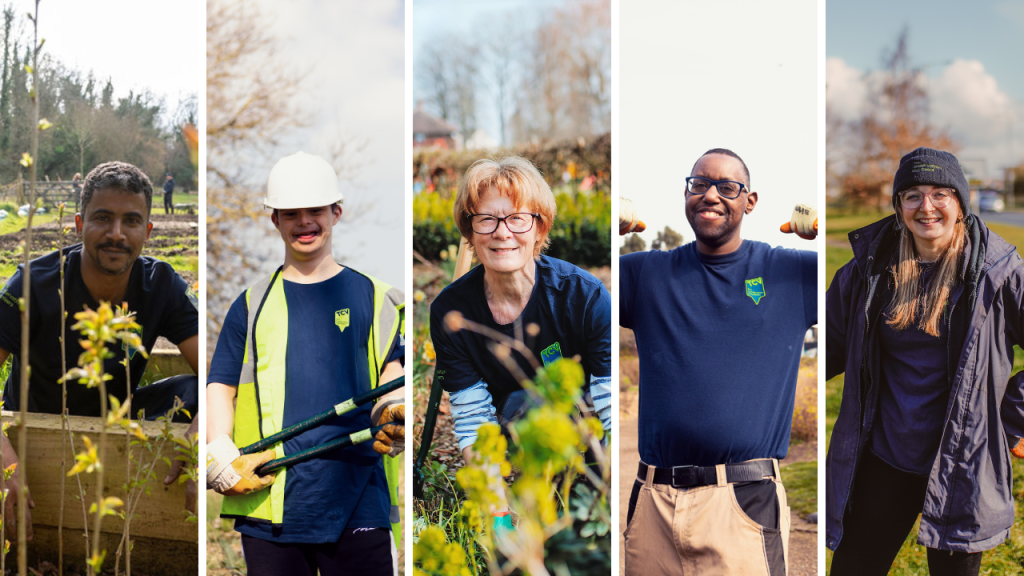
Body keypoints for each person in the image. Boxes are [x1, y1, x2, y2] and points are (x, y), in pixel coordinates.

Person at [826, 148, 1024, 575]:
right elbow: (829, 345)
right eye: (912, 194)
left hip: (963, 466)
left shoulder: (999, 272)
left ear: (960, 204)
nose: (927, 206)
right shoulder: (869, 270)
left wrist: (1011, 418)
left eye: (940, 193)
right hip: (887, 458)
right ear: (898, 206)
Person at [205, 151, 404, 576]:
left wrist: (395, 413)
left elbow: (393, 377)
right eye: (290, 212)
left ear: (336, 212)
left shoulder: (377, 297)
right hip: (270, 501)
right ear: (274, 220)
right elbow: (221, 384)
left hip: (359, 498)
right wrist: (218, 457)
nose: (304, 221)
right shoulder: (250, 305)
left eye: (315, 210)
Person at [619, 148, 817, 575]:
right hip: (653, 504)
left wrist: (823, 231)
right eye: (699, 184)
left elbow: (872, 281)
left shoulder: (791, 272)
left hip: (742, 503)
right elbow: (560, 294)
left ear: (751, 201)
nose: (710, 194)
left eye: (727, 187)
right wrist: (605, 231)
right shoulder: (644, 275)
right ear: (686, 194)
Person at [0, 161, 200, 541]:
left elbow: (216, 372)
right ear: (79, 224)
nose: (116, 234)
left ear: (148, 231)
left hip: (116, 417)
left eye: (131, 221)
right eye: (102, 218)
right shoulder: (34, 283)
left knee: (194, 391)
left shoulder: (161, 284)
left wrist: (199, 435)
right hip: (36, 417)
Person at [429, 156, 612, 532]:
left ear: (539, 226)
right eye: (487, 219)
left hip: (585, 417)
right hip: (513, 423)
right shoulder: (452, 311)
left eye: (517, 218)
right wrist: (497, 514)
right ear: (470, 229)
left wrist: (606, 492)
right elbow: (473, 420)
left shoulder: (584, 297)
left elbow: (609, 405)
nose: (502, 232)